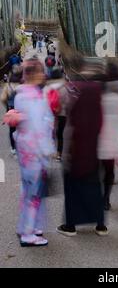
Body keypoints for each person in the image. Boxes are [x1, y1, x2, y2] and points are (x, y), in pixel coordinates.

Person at [57, 59, 108, 237]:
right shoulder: (99, 91)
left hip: (74, 145)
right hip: (93, 145)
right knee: (94, 186)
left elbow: (59, 108)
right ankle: (101, 225)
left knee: (72, 187)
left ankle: (70, 225)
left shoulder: (72, 89)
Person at [8, 59, 55, 247]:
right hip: (35, 150)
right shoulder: (35, 97)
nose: (43, 75)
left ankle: (27, 226)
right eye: (41, 72)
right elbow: (39, 126)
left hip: (24, 147)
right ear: (33, 74)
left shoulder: (20, 94)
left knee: (27, 190)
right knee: (34, 193)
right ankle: (28, 233)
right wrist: (47, 149)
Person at [97, 62, 118, 211]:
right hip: (117, 128)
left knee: (99, 168)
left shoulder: (100, 90)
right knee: (110, 167)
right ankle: (106, 200)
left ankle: (100, 196)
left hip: (100, 132)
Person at [1, 66, 23, 155]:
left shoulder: (8, 86)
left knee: (12, 129)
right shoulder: (22, 87)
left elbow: (2, 98)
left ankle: (13, 148)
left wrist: (7, 105)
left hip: (10, 109)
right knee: (21, 128)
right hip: (20, 110)